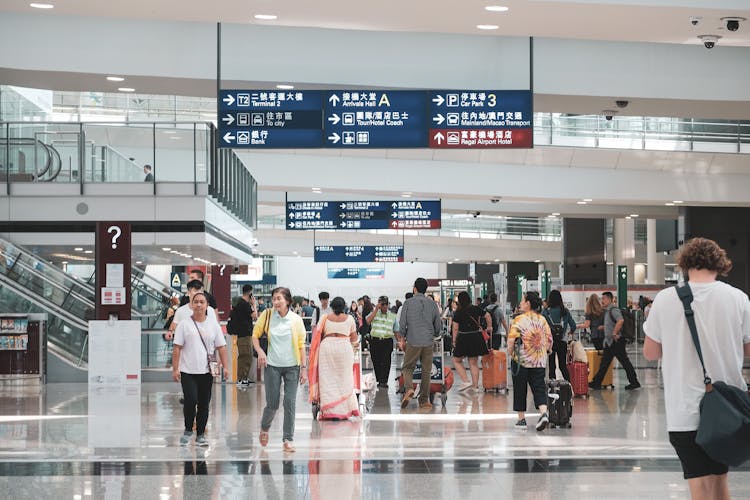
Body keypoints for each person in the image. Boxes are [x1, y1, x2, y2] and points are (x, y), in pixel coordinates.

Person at [643, 237, 750, 500]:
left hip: (684, 408)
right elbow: (748, 349)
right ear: (720, 264)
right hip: (728, 409)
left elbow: (650, 352)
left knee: (699, 485)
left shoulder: (665, 299)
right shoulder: (738, 299)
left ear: (685, 264)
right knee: (719, 481)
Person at [171, 292, 229, 447]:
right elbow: (177, 348)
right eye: (195, 302)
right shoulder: (184, 324)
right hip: (187, 370)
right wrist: (175, 369)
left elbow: (221, 347)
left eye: (201, 302)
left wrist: (226, 367)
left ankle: (201, 434)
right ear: (191, 304)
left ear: (207, 305)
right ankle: (188, 429)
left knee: (204, 403)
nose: (198, 305)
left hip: (206, 371)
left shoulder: (213, 324)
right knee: (190, 400)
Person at [253, 287, 307, 452]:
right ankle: (264, 427)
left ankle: (288, 439)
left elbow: (301, 345)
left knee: (290, 402)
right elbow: (255, 335)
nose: (275, 302)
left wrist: (304, 368)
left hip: (292, 366)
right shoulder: (267, 315)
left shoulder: (296, 320)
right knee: (273, 404)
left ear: (288, 301)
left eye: (279, 299)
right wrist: (261, 352)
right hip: (272, 366)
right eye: (274, 299)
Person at [508, 291, 553, 432]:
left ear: (528, 303)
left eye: (522, 301)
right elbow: (550, 340)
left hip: (521, 360)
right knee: (539, 387)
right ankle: (543, 413)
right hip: (539, 360)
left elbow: (511, 341)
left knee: (520, 389)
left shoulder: (519, 320)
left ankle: (521, 420)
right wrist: (546, 351)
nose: (521, 303)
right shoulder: (542, 320)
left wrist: (511, 354)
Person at [309, 296, 360, 420]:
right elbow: (354, 339)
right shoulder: (350, 319)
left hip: (327, 348)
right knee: (344, 378)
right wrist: (354, 349)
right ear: (344, 307)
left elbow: (318, 336)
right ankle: (343, 411)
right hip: (344, 348)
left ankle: (329, 411)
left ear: (332, 307)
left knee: (327, 379)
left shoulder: (324, 318)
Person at [398, 278, 442, 410]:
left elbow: (402, 323)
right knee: (427, 371)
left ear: (414, 288)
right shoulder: (433, 304)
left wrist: (402, 337)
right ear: (426, 289)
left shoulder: (408, 303)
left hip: (413, 340)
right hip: (428, 341)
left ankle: (410, 389)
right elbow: (438, 325)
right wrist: (433, 334)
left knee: (407, 367)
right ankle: (424, 401)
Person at [588, 291, 641, 390]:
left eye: (603, 299)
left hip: (616, 342)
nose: (602, 301)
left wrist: (614, 333)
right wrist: (605, 327)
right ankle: (596, 382)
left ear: (609, 299)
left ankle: (634, 382)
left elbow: (620, 320)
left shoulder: (613, 310)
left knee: (624, 362)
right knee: (605, 363)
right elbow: (613, 323)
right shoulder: (607, 311)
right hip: (610, 342)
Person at [451, 291, 491, 392]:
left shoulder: (458, 312)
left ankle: (465, 380)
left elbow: (455, 328)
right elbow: (487, 315)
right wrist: (489, 326)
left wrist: (454, 341)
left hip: (463, 337)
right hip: (475, 336)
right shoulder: (475, 308)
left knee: (456, 360)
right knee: (473, 363)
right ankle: (475, 386)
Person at [543, 290, 576, 381]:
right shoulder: (565, 311)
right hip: (562, 341)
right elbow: (573, 325)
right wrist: (570, 332)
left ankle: (552, 388)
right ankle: (569, 385)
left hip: (550, 343)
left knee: (551, 365)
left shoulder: (546, 312)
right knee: (562, 365)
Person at [228, 284, 257, 385]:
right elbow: (255, 316)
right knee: (246, 356)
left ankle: (243, 377)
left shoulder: (240, 303)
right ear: (250, 293)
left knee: (246, 356)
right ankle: (241, 379)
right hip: (244, 334)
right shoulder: (244, 304)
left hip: (243, 334)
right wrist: (254, 304)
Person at [366, 296, 398, 389]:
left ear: (388, 305)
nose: (383, 306)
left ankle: (383, 381)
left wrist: (400, 341)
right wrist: (376, 309)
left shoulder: (393, 316)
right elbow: (368, 321)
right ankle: (379, 379)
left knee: (386, 361)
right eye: (381, 304)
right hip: (375, 340)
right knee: (376, 361)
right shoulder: (374, 313)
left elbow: (396, 330)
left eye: (385, 304)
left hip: (387, 341)